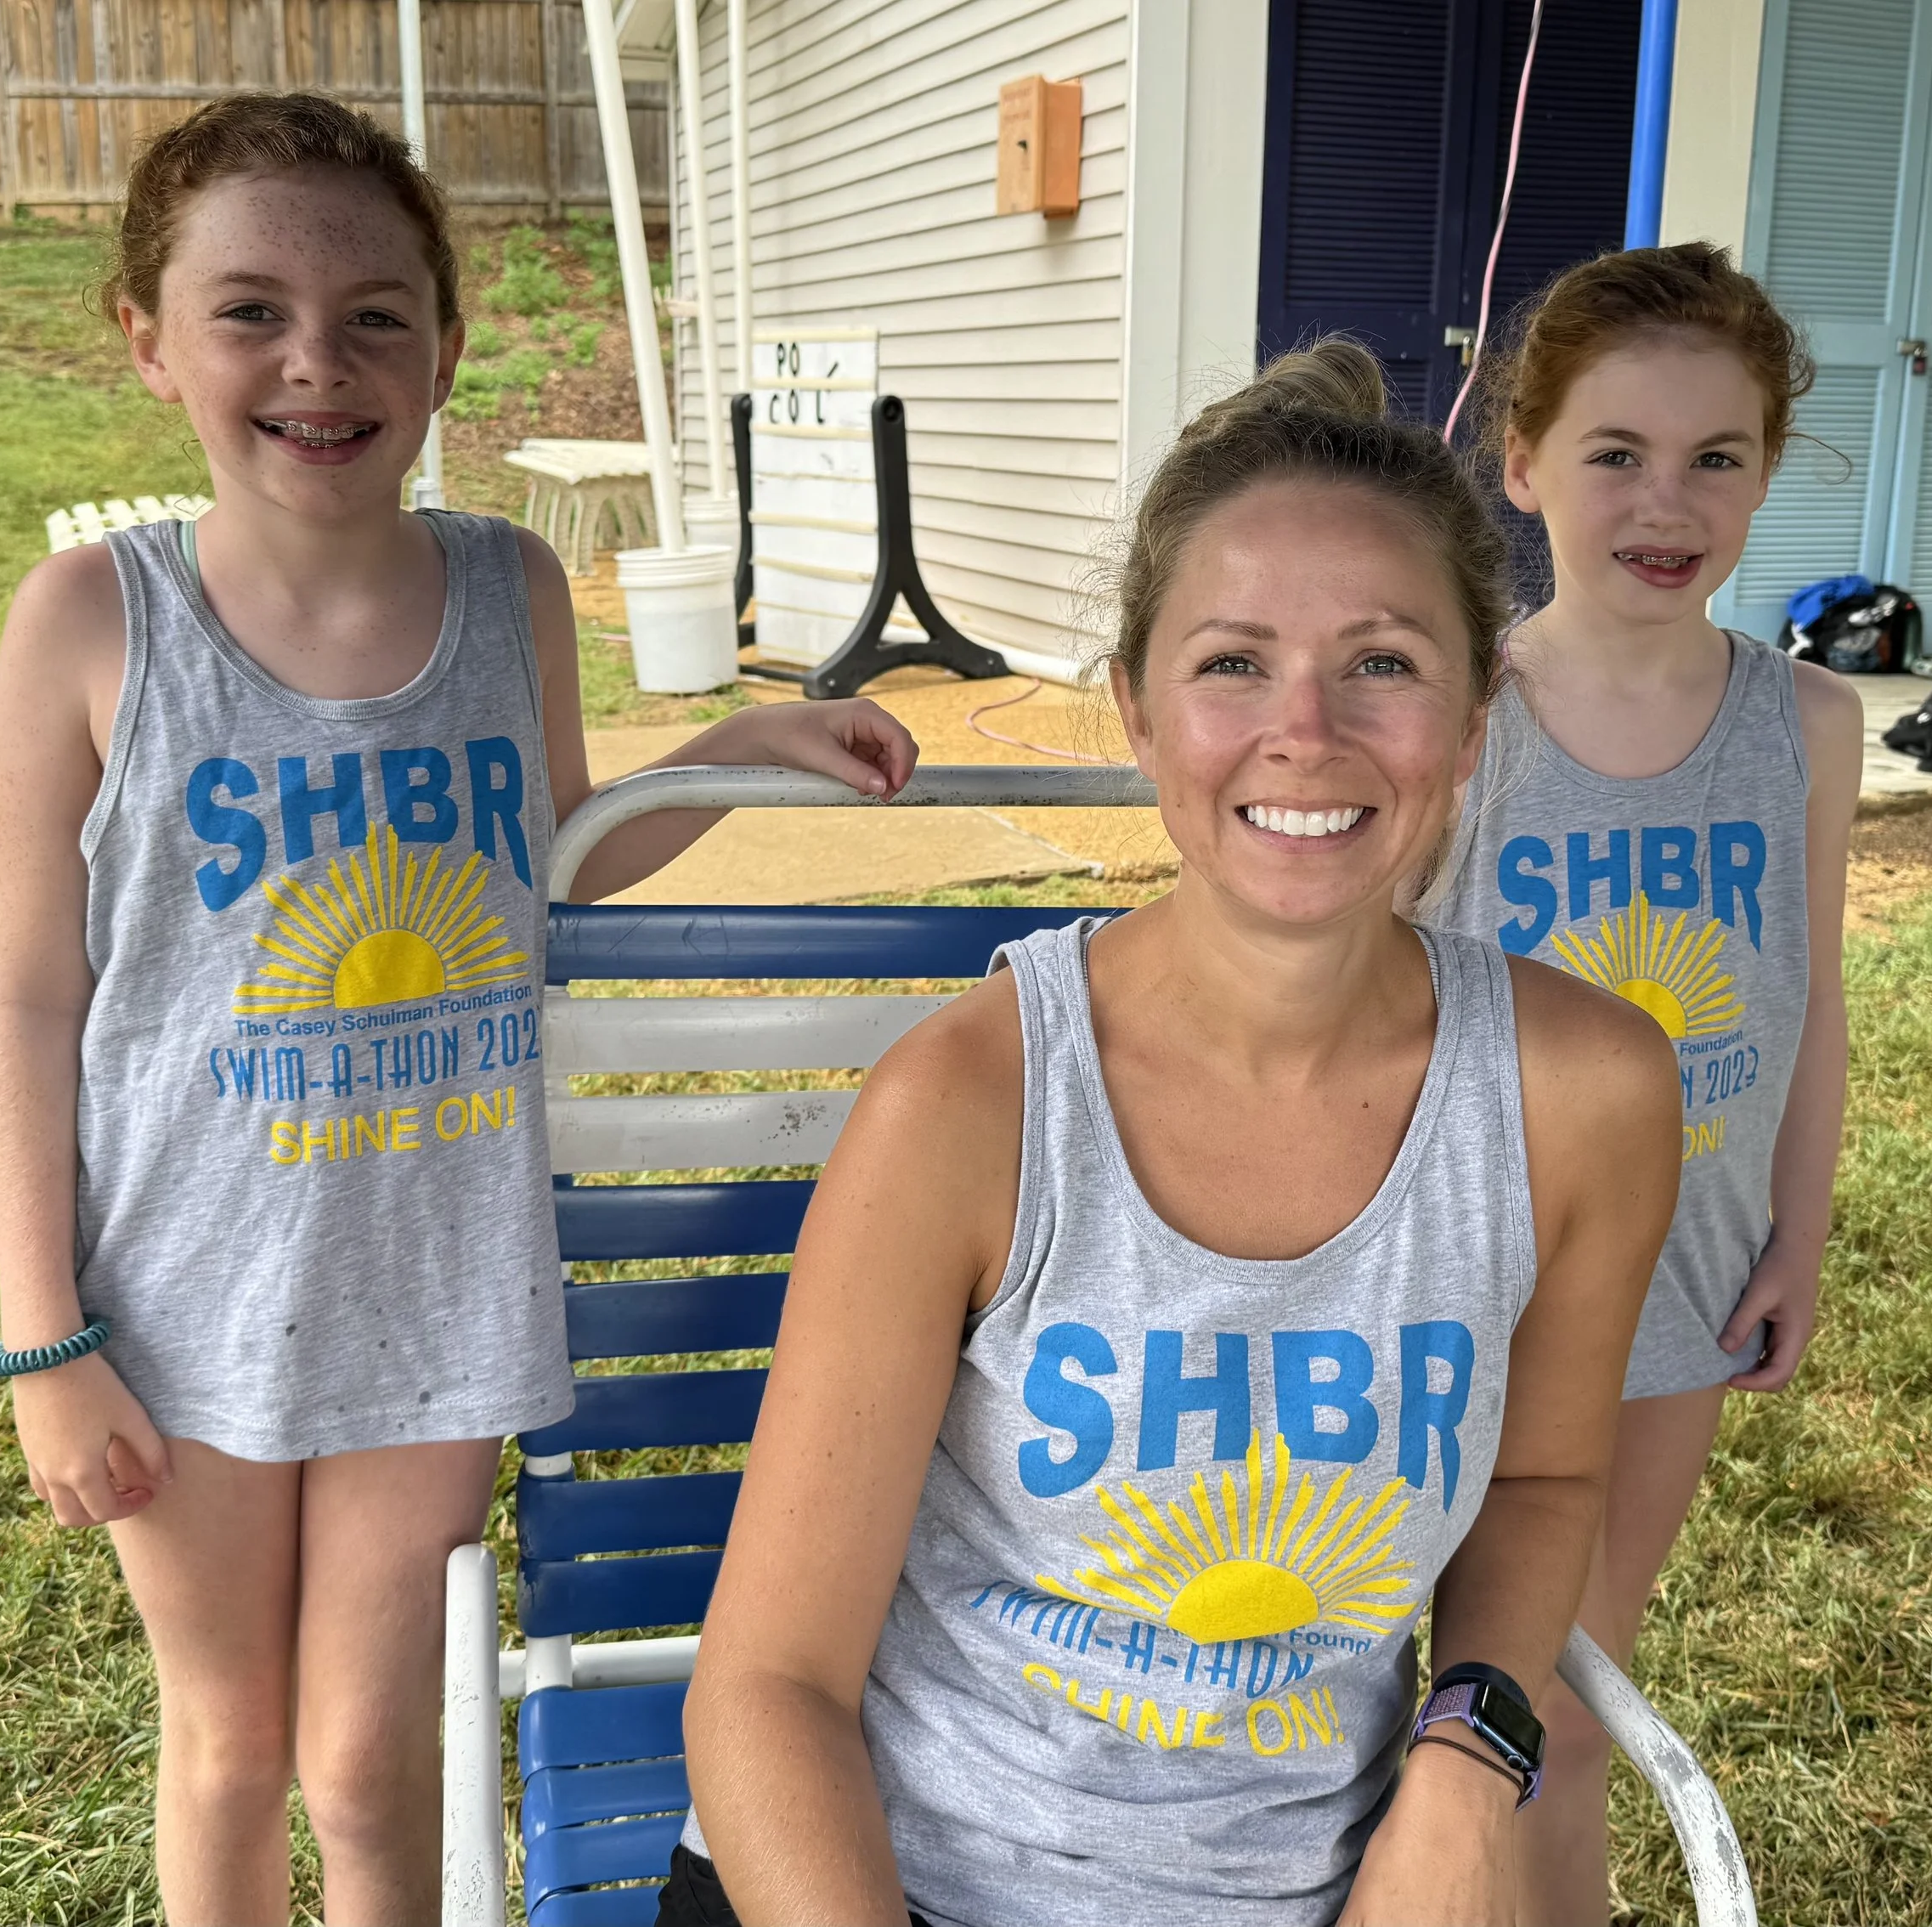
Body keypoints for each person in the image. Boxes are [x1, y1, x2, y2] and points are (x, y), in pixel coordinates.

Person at [0, 92, 917, 1925]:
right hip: (181, 1298)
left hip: (437, 1271)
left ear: (443, 345)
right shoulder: (88, 620)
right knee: (235, 1753)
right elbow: (22, 997)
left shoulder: (508, 586)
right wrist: (43, 1336)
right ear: (148, 339)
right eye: (249, 310)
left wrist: (732, 749)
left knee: (370, 1758)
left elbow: (553, 856)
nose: (315, 362)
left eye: (375, 314)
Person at [669, 340, 1682, 1927]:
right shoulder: (971, 1107)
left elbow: (1548, 1481)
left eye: (1385, 663)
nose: (1307, 731)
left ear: (1478, 718)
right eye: (1232, 664)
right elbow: (771, 1687)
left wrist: (1465, 1766)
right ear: (1138, 712)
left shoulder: (1585, 1095)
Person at [1431, 243, 1863, 1924]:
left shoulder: (1803, 725)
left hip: (1678, 1284)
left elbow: (1807, 996)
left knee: (1565, 1686)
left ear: (1766, 469)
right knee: (1490, 1696)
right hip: (1472, 1284)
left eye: (1715, 457)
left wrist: (1797, 1230)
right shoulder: (1465, 711)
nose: (1661, 501)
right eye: (1613, 453)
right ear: (1524, 461)